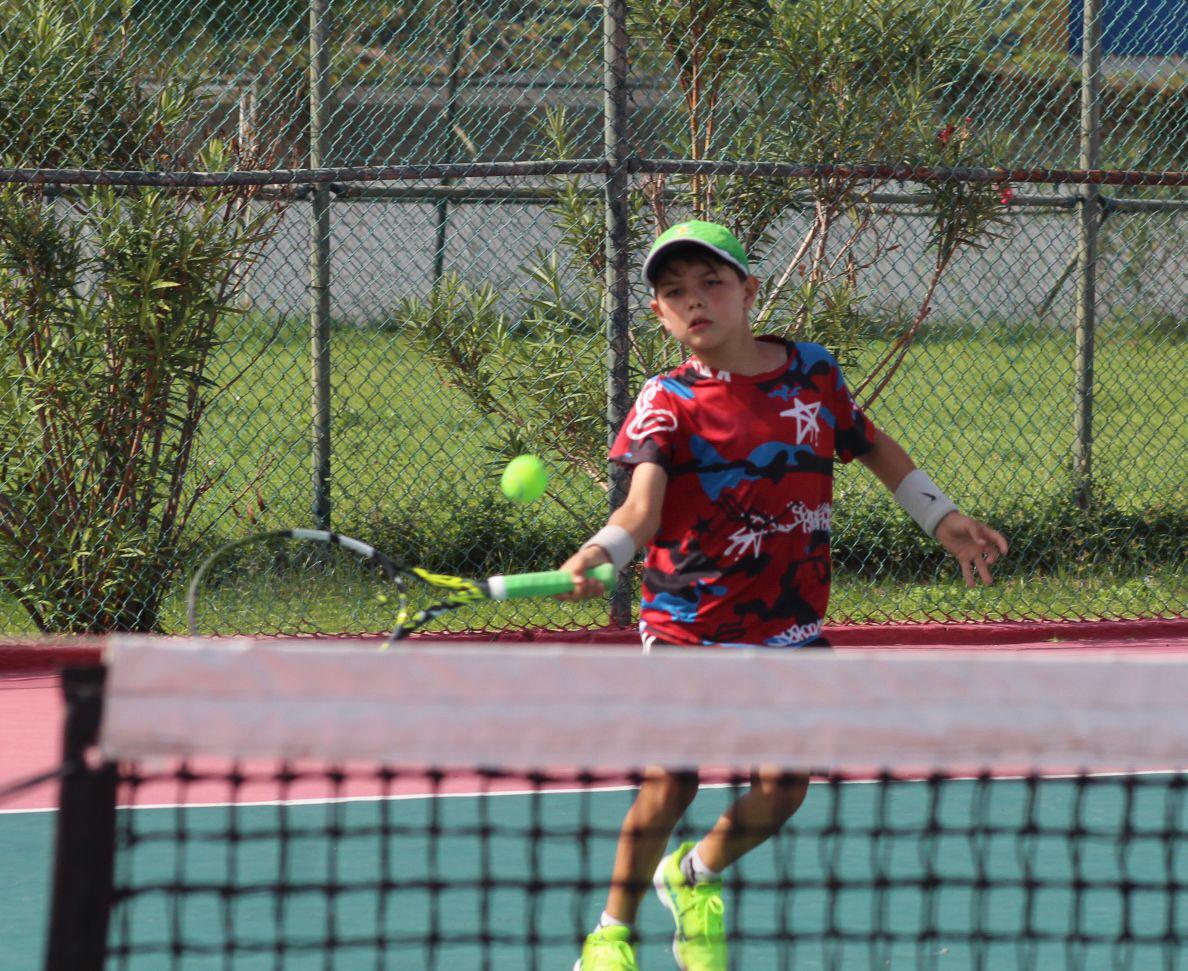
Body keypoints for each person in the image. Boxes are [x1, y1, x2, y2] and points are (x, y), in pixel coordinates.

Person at [558, 220, 1009, 971]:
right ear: (661, 315)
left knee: (786, 784)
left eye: (711, 283)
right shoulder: (665, 401)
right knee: (671, 779)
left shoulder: (812, 372)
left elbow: (870, 443)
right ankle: (610, 933)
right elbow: (639, 511)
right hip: (688, 622)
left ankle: (692, 873)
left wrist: (942, 516)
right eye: (675, 292)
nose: (695, 301)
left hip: (787, 626)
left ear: (748, 291)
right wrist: (601, 552)